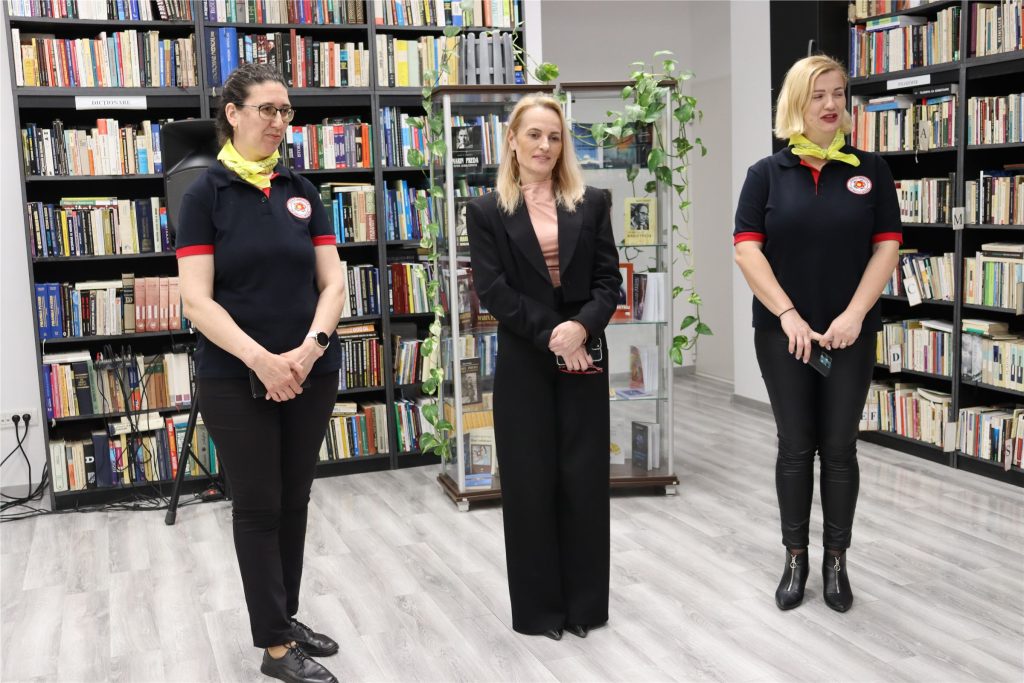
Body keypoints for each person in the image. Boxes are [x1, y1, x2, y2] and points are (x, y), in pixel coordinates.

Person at [176, 63, 346, 683]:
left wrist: (310, 349)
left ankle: (284, 618)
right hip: (235, 377)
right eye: (267, 109)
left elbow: (333, 282)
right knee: (257, 507)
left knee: (295, 500)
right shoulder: (205, 194)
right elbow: (197, 302)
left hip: (310, 370)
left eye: (286, 111)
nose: (279, 121)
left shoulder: (303, 190)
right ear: (233, 113)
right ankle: (274, 650)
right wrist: (263, 361)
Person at [733, 55, 901, 613]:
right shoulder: (765, 173)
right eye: (818, 95)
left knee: (840, 448)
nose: (831, 105)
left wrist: (854, 315)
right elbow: (747, 250)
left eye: (838, 93)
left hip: (849, 333)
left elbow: (887, 248)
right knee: (795, 446)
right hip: (784, 334)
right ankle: (795, 559)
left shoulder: (871, 170)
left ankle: (836, 561)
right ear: (796, 104)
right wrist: (787, 314)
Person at [466, 93, 622, 640]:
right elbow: (494, 291)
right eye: (533, 134)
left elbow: (608, 282)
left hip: (585, 352)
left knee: (584, 480)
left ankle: (584, 608)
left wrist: (581, 328)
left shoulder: (592, 202)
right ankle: (540, 612)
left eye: (554, 137)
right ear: (512, 139)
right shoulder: (486, 210)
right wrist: (557, 335)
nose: (544, 146)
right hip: (526, 358)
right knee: (529, 484)